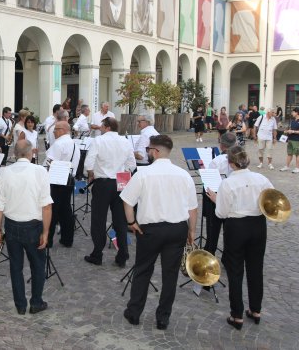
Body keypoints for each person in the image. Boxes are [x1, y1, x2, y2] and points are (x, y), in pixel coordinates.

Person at [121, 135, 198, 330]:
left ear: (155, 151)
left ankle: (134, 312)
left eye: (149, 149)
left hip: (151, 230)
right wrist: (191, 231)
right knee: (170, 275)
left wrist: (132, 222)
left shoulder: (144, 174)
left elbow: (127, 201)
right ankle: (163, 317)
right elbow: (193, 209)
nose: (147, 152)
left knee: (143, 271)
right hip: (177, 229)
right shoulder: (183, 175)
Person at [206, 146, 273, 330]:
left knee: (235, 270)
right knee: (256, 268)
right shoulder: (262, 179)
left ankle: (237, 314)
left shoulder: (227, 184)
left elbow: (221, 213)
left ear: (230, 164)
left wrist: (215, 199)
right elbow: (271, 199)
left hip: (236, 226)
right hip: (258, 225)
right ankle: (256, 310)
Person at [0, 140, 53, 315]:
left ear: (14, 154)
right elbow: (47, 206)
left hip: (11, 226)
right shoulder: (41, 171)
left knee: (15, 267)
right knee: (38, 265)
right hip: (34, 226)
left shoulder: (4, 172)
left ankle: (20, 305)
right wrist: (46, 231)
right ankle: (36, 302)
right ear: (31, 153)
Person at [84, 117, 136, 267]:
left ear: (106, 127)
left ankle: (97, 253)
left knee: (98, 220)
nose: (100, 127)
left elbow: (89, 162)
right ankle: (122, 254)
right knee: (120, 219)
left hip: (103, 182)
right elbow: (131, 164)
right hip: (121, 181)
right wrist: (122, 172)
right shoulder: (125, 141)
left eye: (101, 125)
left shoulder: (99, 141)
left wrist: (90, 174)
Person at [44, 121, 80, 248]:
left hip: (57, 180)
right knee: (66, 210)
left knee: (52, 211)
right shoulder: (74, 144)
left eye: (56, 129)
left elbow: (48, 163)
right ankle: (67, 239)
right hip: (70, 180)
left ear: (63, 129)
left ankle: (47, 240)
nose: (54, 131)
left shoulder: (58, 144)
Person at [203, 132, 237, 256]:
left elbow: (208, 184)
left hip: (215, 197)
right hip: (233, 198)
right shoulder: (240, 159)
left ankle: (209, 254)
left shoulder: (216, 161)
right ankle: (228, 256)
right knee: (230, 231)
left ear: (221, 146)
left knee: (213, 230)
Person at [279, 107, 299, 173]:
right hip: (290, 139)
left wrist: (293, 131)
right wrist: (287, 131)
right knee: (289, 153)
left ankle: (297, 168)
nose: (292, 113)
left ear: (297, 113)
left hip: (297, 140)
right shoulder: (293, 120)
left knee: (297, 154)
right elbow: (291, 129)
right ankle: (287, 166)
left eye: (293, 112)